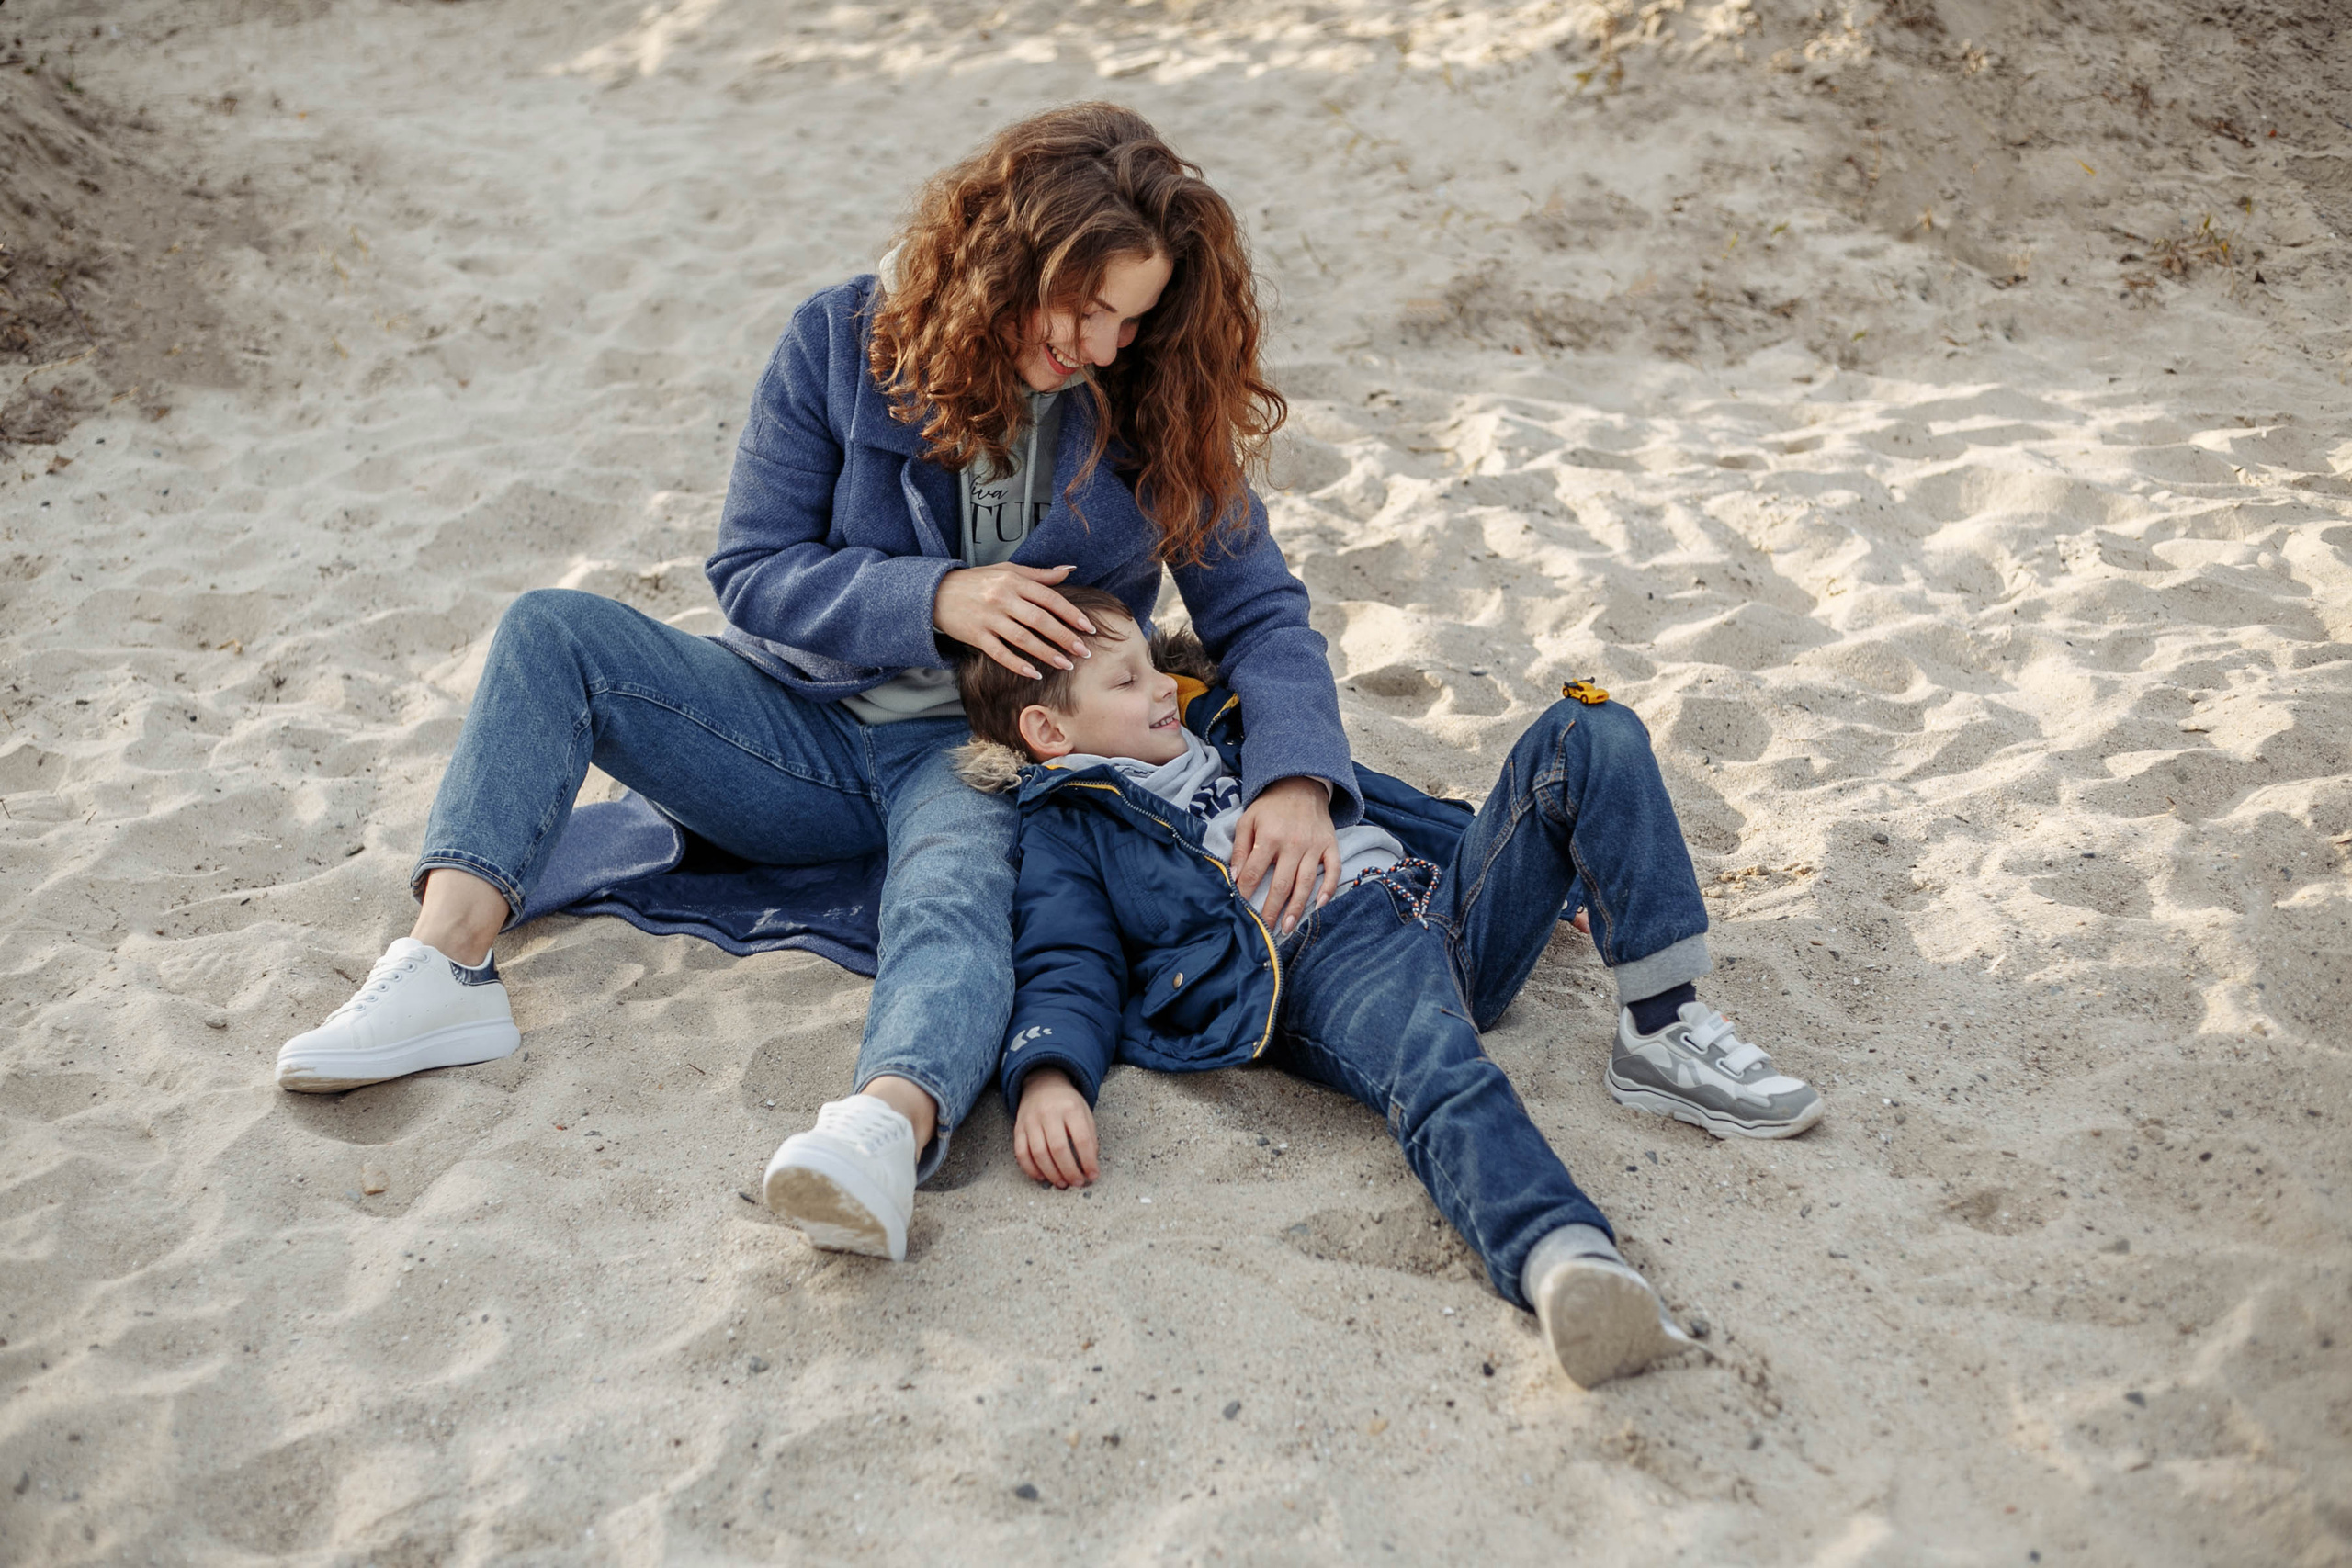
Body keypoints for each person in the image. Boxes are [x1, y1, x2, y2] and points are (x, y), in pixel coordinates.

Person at [272, 105, 1361, 1267]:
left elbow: (1256, 610)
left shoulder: (1151, 397)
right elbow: (751, 570)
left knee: (950, 901)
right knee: (553, 632)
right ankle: (447, 968)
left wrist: (1298, 780)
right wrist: (936, 597)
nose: (1098, 344)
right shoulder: (840, 341)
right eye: (1081, 306)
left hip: (985, 758)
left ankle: (881, 1133)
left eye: (1127, 321)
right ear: (1003, 259)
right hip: (800, 734)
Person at [942, 588, 1824, 1388]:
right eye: (1127, 680)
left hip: (1439, 903)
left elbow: (1389, 804)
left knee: (1589, 728)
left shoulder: (1235, 730)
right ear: (1050, 733)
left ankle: (1662, 1026)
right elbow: (1068, 959)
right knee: (1441, 1074)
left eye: (1155, 663)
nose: (1165, 686)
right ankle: (1567, 1259)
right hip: (1327, 954)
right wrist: (1050, 1074)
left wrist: (1556, 864)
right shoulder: (1074, 829)